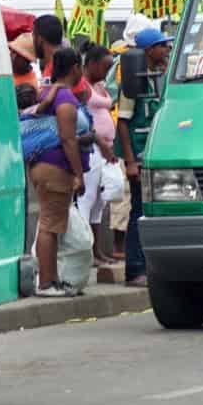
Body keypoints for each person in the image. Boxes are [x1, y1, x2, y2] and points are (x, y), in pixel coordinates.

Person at [26, 46, 91, 297]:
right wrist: (78, 174)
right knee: (50, 225)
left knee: (52, 224)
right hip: (55, 169)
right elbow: (67, 139)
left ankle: (52, 279)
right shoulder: (64, 101)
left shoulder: (55, 94)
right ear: (75, 68)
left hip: (47, 167)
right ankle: (46, 283)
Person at [116, 25, 172, 287]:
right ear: (150, 50)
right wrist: (130, 161)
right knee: (139, 210)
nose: (167, 49)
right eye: (162, 45)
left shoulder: (159, 76)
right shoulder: (132, 83)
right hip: (139, 154)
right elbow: (123, 123)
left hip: (157, 152)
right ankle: (135, 268)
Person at [80, 42, 119, 268]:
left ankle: (97, 250)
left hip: (104, 149)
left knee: (98, 205)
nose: (106, 72)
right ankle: (86, 251)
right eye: (104, 67)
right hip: (92, 148)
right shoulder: (83, 86)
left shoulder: (99, 85)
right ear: (92, 64)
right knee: (88, 200)